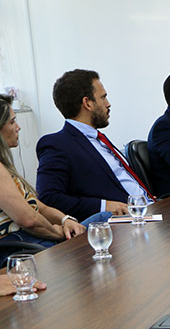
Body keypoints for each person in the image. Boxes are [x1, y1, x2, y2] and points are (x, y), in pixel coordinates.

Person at [0, 94, 110, 261]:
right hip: (20, 246)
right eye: (12, 122)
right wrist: (58, 232)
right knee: (105, 219)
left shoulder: (5, 167)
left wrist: (65, 220)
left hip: (29, 241)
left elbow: (38, 206)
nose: (18, 127)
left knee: (105, 219)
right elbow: (28, 220)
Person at [36, 69, 154, 221]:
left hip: (149, 210)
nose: (108, 104)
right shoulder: (57, 144)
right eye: (103, 98)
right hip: (120, 225)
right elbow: (49, 198)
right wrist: (104, 206)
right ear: (88, 103)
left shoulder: (99, 139)